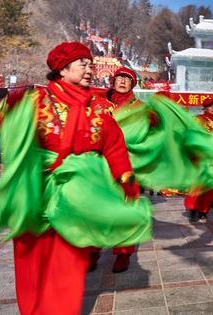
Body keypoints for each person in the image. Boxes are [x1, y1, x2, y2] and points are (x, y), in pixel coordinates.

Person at [0, 42, 146, 315]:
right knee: (32, 261)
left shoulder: (98, 110)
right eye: (82, 63)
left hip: (76, 196)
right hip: (36, 192)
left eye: (90, 64)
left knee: (68, 264)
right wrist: (9, 106)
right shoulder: (38, 101)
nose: (89, 69)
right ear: (63, 69)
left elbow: (114, 147)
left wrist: (126, 181)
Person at [88, 66, 142, 274]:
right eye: (119, 77)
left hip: (126, 164)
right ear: (113, 80)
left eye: (127, 79)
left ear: (132, 84)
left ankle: (123, 253)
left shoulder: (139, 107)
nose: (122, 81)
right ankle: (92, 250)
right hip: (99, 164)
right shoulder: (98, 102)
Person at [184, 96, 213, 222]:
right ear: (205, 107)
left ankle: (203, 210)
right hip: (201, 157)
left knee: (212, 186)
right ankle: (193, 208)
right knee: (198, 184)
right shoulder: (198, 120)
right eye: (210, 106)